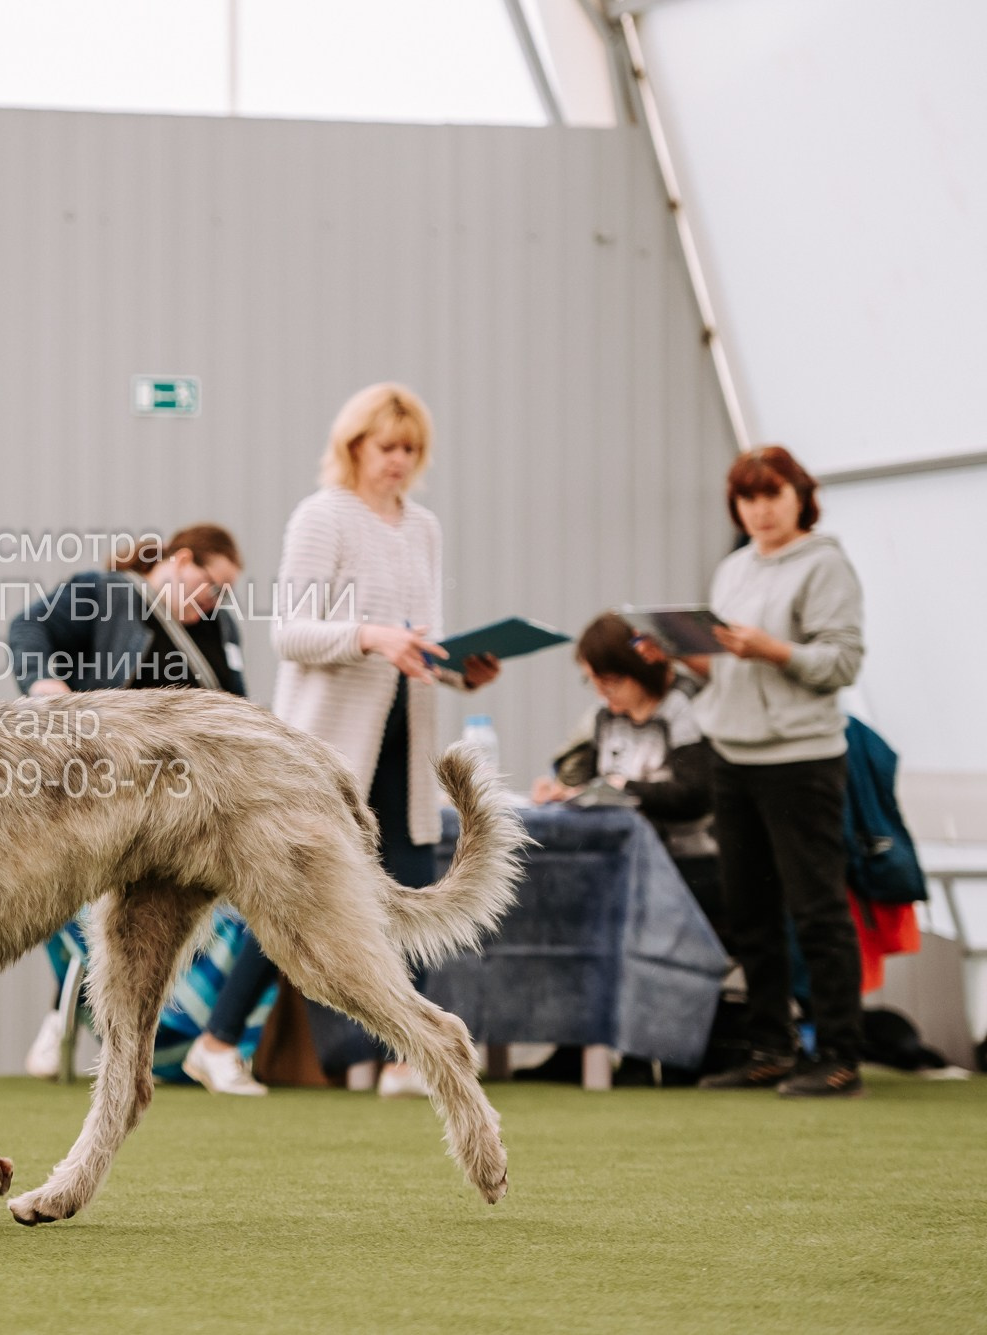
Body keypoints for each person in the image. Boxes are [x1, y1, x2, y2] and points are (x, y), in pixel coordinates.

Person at [269, 382, 498, 1098]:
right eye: (386, 447)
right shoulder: (322, 517)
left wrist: (463, 670)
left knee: (415, 884)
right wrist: (369, 635)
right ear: (354, 447)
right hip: (330, 743)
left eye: (410, 449)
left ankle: (411, 1057)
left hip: (407, 734)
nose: (398, 461)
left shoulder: (423, 527)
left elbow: (419, 646)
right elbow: (289, 632)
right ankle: (216, 1038)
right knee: (290, 890)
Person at [8, 525, 246, 1081]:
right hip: (104, 788)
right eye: (214, 586)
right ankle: (62, 1018)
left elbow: (236, 705)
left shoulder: (219, 627)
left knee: (183, 916)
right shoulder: (108, 593)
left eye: (225, 595)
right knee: (84, 904)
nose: (217, 601)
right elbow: (29, 626)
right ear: (182, 561)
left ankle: (182, 1041)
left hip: (185, 803)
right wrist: (44, 687)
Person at [677, 446, 867, 1098]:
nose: (758, 508)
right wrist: (679, 654)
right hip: (731, 752)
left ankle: (840, 1054)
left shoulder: (826, 565)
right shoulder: (732, 569)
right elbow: (730, 668)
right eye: (747, 497)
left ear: (799, 497)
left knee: (816, 908)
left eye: (771, 494)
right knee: (749, 910)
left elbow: (841, 663)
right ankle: (768, 1047)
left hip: (802, 759)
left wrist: (772, 649)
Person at [533, 612, 720, 935]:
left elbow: (694, 795)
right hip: (620, 855)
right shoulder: (604, 717)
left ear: (638, 670)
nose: (602, 693)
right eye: (594, 682)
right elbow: (592, 781)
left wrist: (625, 788)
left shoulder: (683, 709)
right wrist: (564, 792)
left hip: (682, 864)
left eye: (610, 682)